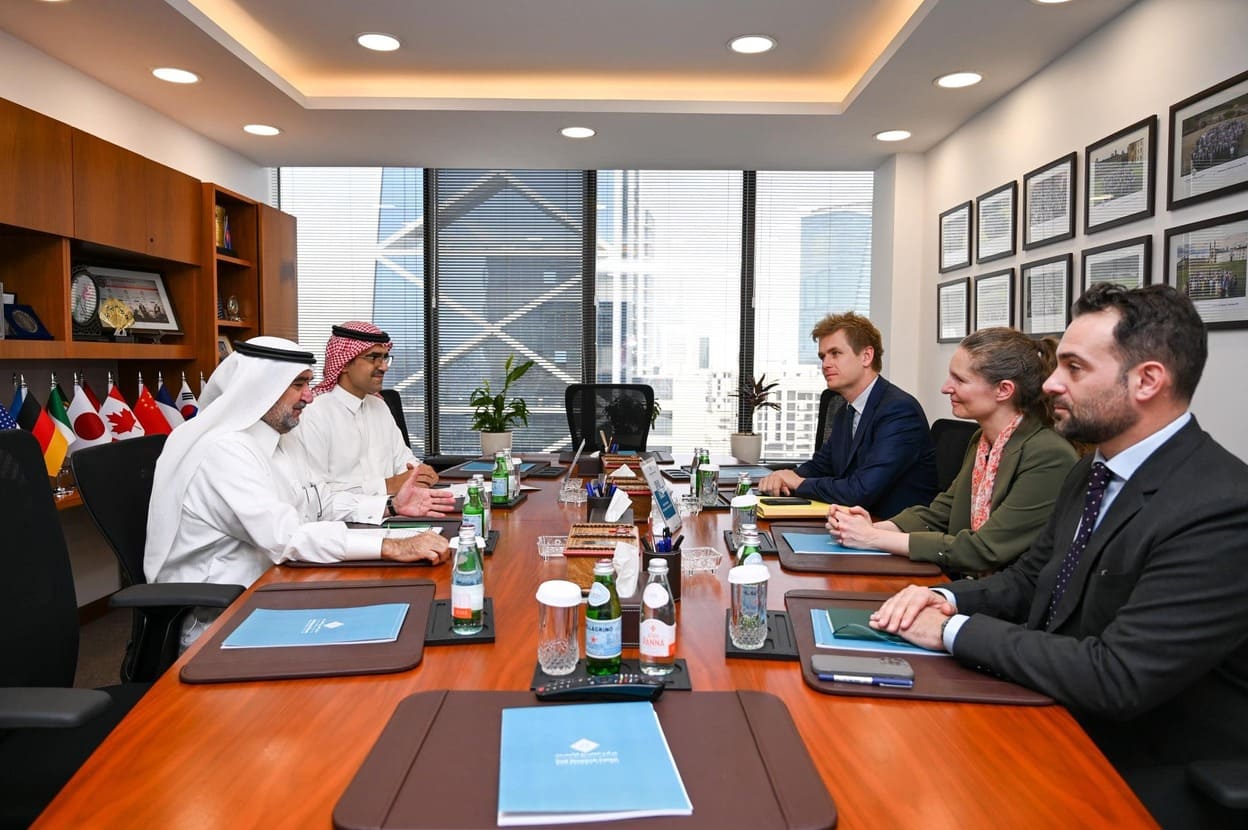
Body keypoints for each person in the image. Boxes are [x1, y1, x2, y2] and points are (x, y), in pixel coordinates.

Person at [870, 284, 1248, 828]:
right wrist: (944, 598)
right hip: (1052, 708)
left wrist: (952, 630)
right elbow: (1029, 579)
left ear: (1147, 380)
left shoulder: (1220, 507)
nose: (1049, 383)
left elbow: (1117, 676)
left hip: (1141, 765)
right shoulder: (1092, 471)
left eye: (1074, 368)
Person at [144, 336, 456, 647]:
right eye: (298, 385)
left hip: (283, 589)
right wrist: (391, 546)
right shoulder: (224, 451)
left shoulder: (281, 438)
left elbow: (319, 502)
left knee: (410, 616)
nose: (309, 396)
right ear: (260, 388)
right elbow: (287, 536)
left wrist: (390, 506)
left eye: (308, 383)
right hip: (226, 620)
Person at [827, 327, 1077, 576]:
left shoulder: (1048, 455)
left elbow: (984, 549)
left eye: (960, 380)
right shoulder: (982, 441)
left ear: (1003, 390)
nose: (946, 388)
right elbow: (940, 513)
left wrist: (873, 538)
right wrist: (874, 528)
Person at [759, 312, 937, 518]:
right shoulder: (846, 409)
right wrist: (784, 477)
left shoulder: (899, 411)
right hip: (855, 522)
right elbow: (821, 465)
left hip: (890, 526)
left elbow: (860, 491)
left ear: (866, 356)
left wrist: (798, 482)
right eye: (823, 356)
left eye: (835, 353)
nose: (825, 364)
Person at [294, 321, 439, 495]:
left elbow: (404, 461)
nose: (383, 367)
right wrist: (387, 486)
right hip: (348, 513)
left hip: (398, 508)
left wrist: (421, 473)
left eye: (384, 358)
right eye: (373, 358)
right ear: (345, 363)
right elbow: (315, 493)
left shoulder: (380, 406)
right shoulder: (313, 413)